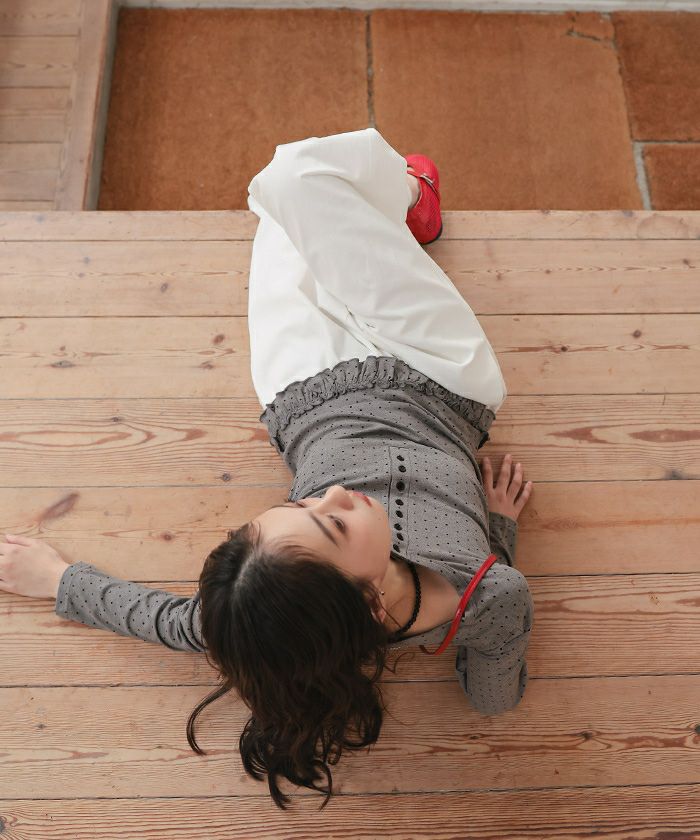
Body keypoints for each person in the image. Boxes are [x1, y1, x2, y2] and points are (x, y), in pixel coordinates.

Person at [4, 127, 535, 811]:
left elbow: (160, 618)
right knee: (305, 183)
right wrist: (498, 532)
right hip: (440, 377)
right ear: (371, 602)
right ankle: (412, 197)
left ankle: (399, 200)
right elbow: (494, 699)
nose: (336, 493)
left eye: (303, 504)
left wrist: (57, 580)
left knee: (282, 187)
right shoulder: (491, 596)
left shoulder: (259, 608)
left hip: (305, 385)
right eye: (334, 525)